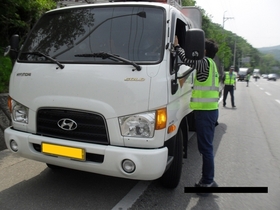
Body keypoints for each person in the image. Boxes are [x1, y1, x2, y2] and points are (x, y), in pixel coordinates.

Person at [174, 36, 219, 193]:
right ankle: (208, 179)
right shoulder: (212, 64)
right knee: (206, 147)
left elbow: (187, 61)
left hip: (206, 113)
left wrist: (177, 46)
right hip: (209, 111)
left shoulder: (205, 62)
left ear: (204, 51)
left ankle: (208, 182)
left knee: (206, 148)